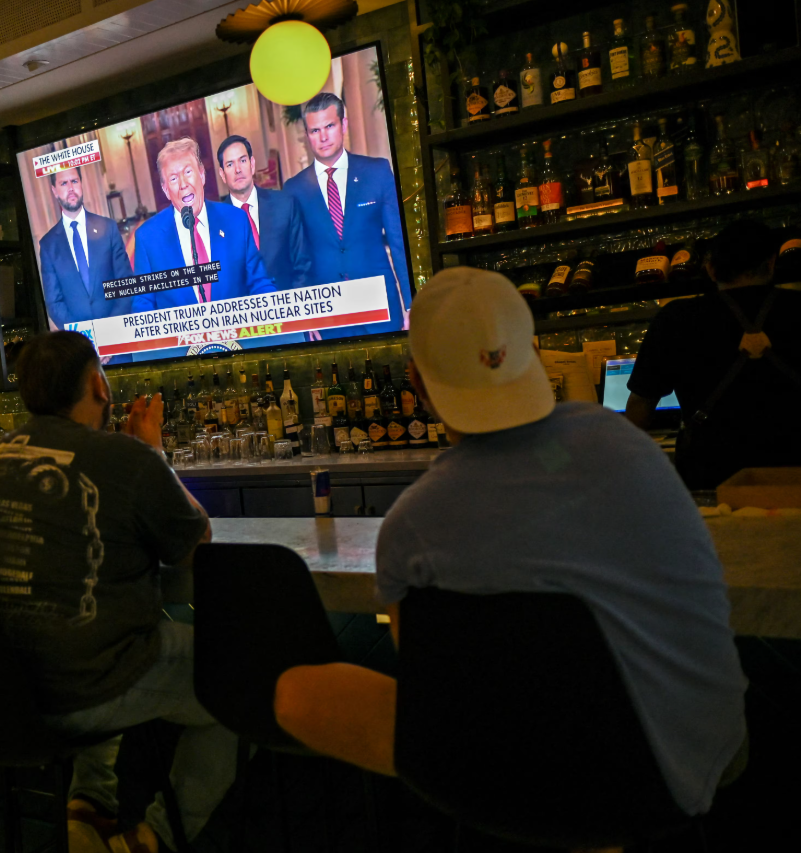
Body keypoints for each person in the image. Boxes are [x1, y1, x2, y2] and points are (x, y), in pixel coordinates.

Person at [272, 268, 748, 824]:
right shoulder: (628, 443)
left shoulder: (413, 524)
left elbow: (427, 683)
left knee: (295, 693)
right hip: (698, 759)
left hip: (513, 782)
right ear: (532, 353)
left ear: (418, 384)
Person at [0, 331, 234, 853]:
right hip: (77, 688)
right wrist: (155, 453)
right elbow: (197, 544)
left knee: (99, 626)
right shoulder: (126, 456)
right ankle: (152, 840)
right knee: (242, 675)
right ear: (98, 386)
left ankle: (88, 810)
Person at [626, 220, 801, 489]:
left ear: (710, 270)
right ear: (771, 263)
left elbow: (640, 406)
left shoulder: (677, 318)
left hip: (711, 477)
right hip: (793, 471)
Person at [282, 92, 411, 338]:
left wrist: (410, 303)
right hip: (328, 312)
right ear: (307, 135)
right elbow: (296, 259)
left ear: (344, 125)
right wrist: (304, 316)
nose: (323, 137)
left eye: (329, 126)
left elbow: (399, 242)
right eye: (314, 130)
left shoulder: (377, 172)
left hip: (380, 304)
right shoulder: (294, 189)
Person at [129, 137, 276, 314]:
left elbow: (259, 282)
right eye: (174, 178)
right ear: (166, 190)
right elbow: (143, 305)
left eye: (188, 172)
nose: (183, 184)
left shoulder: (236, 221)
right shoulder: (148, 237)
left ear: (202, 175)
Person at [39, 166, 136, 331]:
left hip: (118, 339)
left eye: (74, 181)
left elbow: (126, 285)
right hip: (81, 348)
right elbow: (54, 303)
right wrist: (85, 338)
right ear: (54, 191)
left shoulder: (109, 228)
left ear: (81, 184)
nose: (71, 188)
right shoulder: (48, 245)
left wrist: (109, 334)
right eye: (63, 183)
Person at [217, 134, 312, 292]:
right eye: (230, 164)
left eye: (242, 160)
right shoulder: (216, 222)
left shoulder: (285, 205)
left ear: (252, 164)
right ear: (222, 174)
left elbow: (303, 265)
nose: (238, 169)